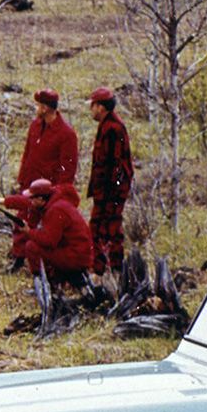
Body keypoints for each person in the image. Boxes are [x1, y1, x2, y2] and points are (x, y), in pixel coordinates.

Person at [7, 177, 95, 286]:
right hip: (80, 254)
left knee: (31, 247)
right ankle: (58, 279)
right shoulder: (58, 204)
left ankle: (45, 284)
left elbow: (49, 241)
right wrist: (2, 201)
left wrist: (29, 232)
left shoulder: (55, 211)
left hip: (75, 257)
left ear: (40, 199)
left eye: (32, 198)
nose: (30, 201)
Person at [85, 86, 134, 273]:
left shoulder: (113, 128)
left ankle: (110, 268)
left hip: (111, 191)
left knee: (107, 228)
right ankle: (102, 267)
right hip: (106, 191)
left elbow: (116, 165)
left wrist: (111, 193)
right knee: (100, 228)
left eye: (93, 105)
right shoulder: (107, 126)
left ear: (101, 107)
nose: (91, 109)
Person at [17, 88, 78, 197]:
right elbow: (27, 155)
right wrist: (22, 181)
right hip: (29, 189)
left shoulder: (67, 134)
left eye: (38, 105)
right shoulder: (35, 126)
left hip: (47, 195)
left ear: (44, 108)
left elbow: (68, 172)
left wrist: (57, 195)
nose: (36, 108)